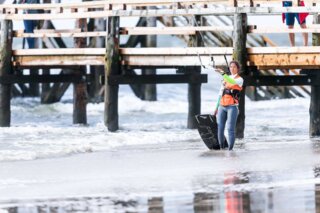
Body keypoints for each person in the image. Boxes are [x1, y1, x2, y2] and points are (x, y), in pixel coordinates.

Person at [214, 61, 243, 151]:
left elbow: (232, 81)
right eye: (230, 67)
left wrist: (222, 73)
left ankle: (230, 150)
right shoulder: (225, 78)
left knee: (230, 128)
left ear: (238, 69)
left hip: (232, 107)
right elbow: (220, 93)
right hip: (222, 106)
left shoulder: (240, 79)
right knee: (220, 128)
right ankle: (222, 148)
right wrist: (216, 107)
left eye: (234, 67)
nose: (232, 68)